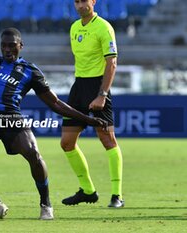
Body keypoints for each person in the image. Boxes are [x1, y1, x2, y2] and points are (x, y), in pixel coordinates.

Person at [0, 7, 107, 220]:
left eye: (12, 46)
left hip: (12, 118)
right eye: (3, 45)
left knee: (33, 152)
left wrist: (88, 119)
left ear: (20, 46)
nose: (7, 49)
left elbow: (56, 104)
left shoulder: (30, 71)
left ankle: (46, 204)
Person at [60, 0, 124, 208]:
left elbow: (111, 63)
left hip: (98, 87)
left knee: (107, 139)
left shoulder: (104, 27)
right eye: (76, 1)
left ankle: (117, 195)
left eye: (84, 1)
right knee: (67, 143)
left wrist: (102, 94)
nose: (80, 5)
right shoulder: (74, 27)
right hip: (78, 86)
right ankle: (87, 190)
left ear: (93, 1)